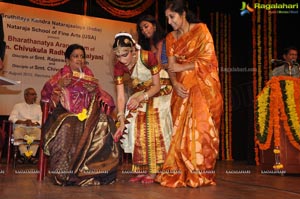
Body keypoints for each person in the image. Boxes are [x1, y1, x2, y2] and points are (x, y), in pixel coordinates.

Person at [155, 0, 223, 188]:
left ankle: (200, 173)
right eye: (167, 18)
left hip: (202, 85)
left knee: (202, 128)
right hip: (181, 87)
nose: (169, 21)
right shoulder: (170, 38)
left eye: (172, 17)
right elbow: (170, 67)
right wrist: (175, 83)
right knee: (180, 132)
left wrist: (181, 66)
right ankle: (181, 172)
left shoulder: (201, 30)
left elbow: (209, 60)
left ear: (183, 14)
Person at [41, 44, 120, 186]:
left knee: (105, 121)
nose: (80, 60)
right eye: (75, 56)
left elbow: (104, 97)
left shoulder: (89, 74)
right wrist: (59, 85)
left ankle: (96, 171)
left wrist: (92, 91)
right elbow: (45, 94)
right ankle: (65, 173)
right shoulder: (61, 75)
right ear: (67, 60)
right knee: (69, 125)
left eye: (82, 56)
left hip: (88, 113)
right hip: (64, 113)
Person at [112, 32, 173, 184]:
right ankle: (142, 168)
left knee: (150, 121)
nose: (122, 59)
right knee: (133, 125)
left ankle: (154, 171)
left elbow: (157, 85)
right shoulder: (119, 67)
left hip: (160, 89)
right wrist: (121, 117)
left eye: (125, 54)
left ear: (133, 50)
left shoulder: (147, 57)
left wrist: (141, 98)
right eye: (118, 56)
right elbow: (120, 96)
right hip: (141, 91)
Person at [8, 87, 42, 164]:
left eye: (35, 94)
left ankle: (27, 156)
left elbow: (41, 119)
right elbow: (12, 117)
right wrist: (23, 122)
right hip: (22, 127)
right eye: (32, 94)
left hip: (34, 128)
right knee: (17, 132)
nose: (35, 96)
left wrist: (35, 123)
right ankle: (28, 156)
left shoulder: (38, 107)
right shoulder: (18, 106)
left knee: (39, 132)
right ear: (26, 96)